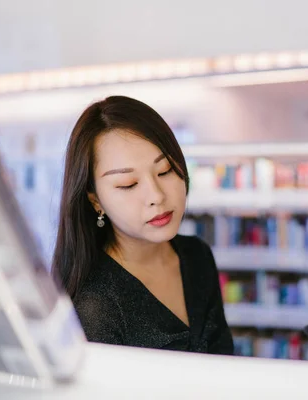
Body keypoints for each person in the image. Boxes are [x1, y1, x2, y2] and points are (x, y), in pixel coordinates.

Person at [51, 95, 234, 355]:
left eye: (165, 170)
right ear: (95, 200)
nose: (156, 196)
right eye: (128, 184)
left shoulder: (196, 255)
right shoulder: (95, 306)